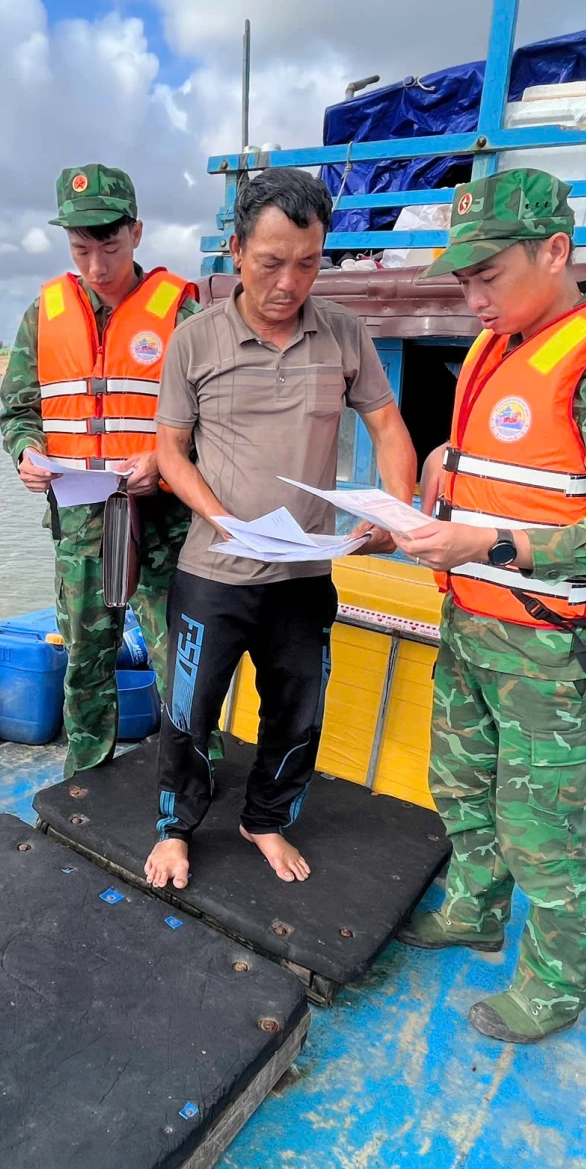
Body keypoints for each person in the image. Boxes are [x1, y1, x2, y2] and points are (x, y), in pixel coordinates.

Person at [389, 168, 586, 1044]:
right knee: (459, 788)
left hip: (555, 654)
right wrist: (447, 467)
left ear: (555, 250)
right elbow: (523, 469)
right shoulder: (501, 345)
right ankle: (475, 910)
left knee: (541, 829)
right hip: (473, 630)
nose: (473, 297)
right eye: (463, 280)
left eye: (488, 275)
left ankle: (558, 985)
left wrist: (491, 545)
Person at [147, 168, 416, 891]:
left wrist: (398, 509)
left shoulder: (344, 334)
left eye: (307, 263)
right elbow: (169, 450)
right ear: (235, 249)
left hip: (305, 574)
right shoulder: (195, 342)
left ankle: (263, 819)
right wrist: (222, 518)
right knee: (188, 712)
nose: (289, 283)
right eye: (270, 263)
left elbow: (387, 423)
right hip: (214, 572)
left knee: (297, 714)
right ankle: (175, 829)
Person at [0, 165, 200, 779]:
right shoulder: (44, 313)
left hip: (162, 520)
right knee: (85, 652)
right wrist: (26, 453)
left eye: (108, 246)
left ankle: (197, 768)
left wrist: (163, 463)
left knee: (180, 655)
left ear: (136, 233)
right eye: (80, 249)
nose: (95, 265)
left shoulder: (180, 311)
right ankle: (86, 775)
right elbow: (18, 408)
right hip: (82, 518)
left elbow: (216, 419)